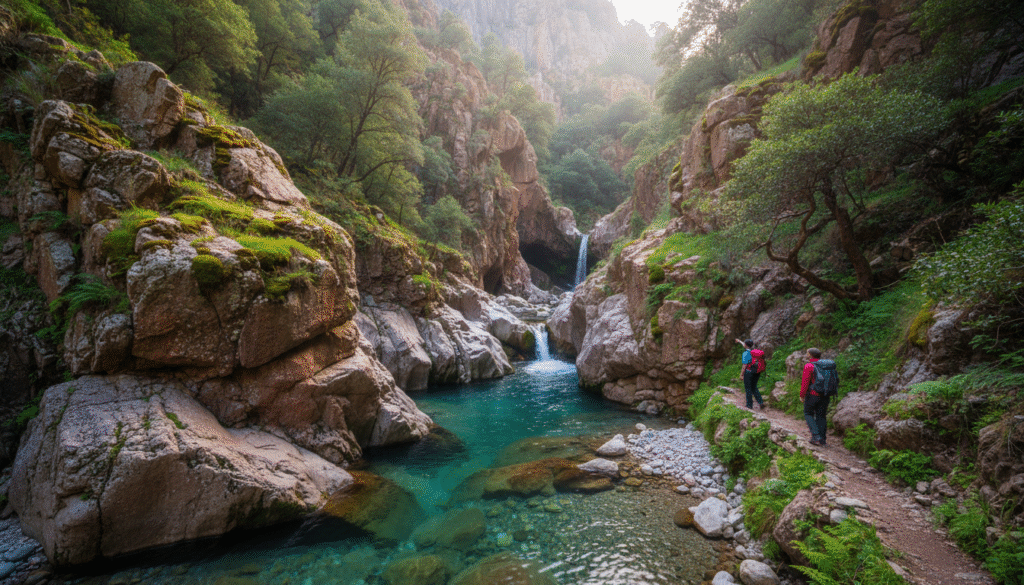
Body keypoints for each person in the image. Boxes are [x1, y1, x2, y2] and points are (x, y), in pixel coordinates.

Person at [800, 347, 828, 446]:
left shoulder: (809, 366)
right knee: (821, 416)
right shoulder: (826, 365)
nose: (806, 354)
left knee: (808, 413)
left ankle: (816, 437)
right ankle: (822, 440)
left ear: (810, 355)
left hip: (813, 395)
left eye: (807, 353)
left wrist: (802, 395)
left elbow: (805, 382)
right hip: (825, 395)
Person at [736, 338, 765, 410]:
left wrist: (741, 375)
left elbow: (744, 365)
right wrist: (739, 341)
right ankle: (761, 402)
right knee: (754, 387)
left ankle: (749, 405)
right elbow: (745, 344)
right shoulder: (754, 351)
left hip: (748, 372)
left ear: (745, 345)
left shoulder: (746, 353)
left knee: (748, 388)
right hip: (757, 372)